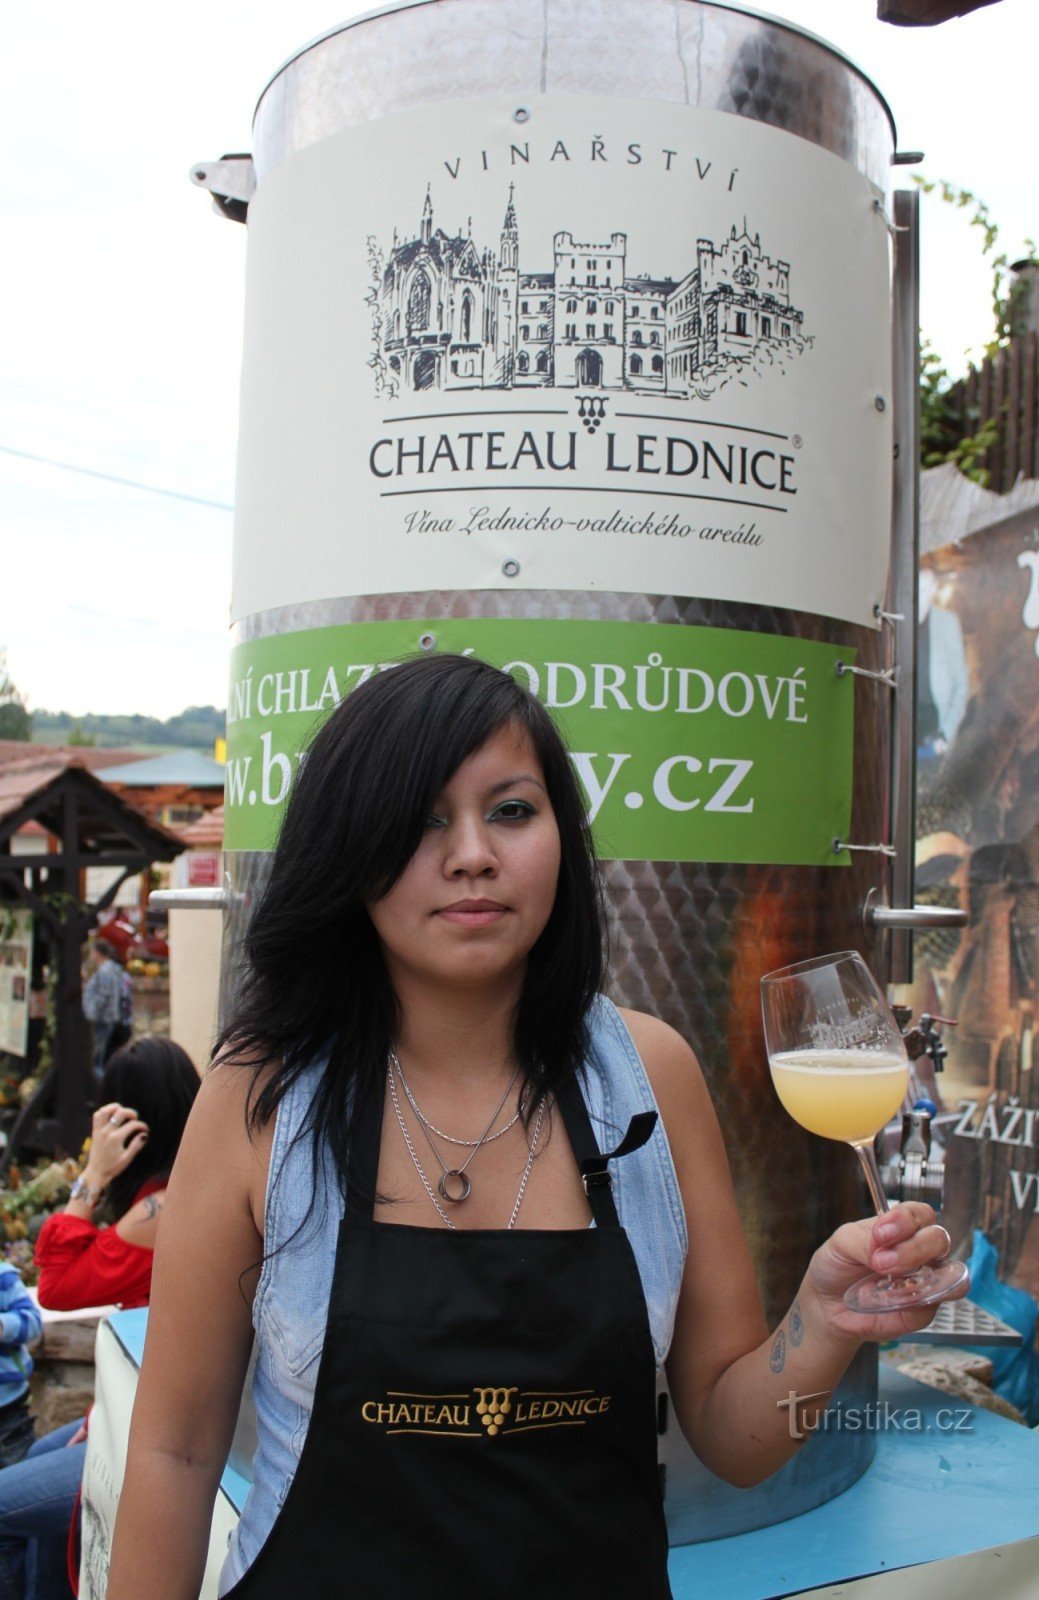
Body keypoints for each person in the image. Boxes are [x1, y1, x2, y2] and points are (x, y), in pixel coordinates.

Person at [107, 654, 963, 1600]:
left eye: (511, 810)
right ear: (348, 849)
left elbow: (735, 1435)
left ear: (561, 834)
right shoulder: (262, 1093)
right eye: (422, 818)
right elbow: (176, 1454)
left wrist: (825, 1318)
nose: (472, 852)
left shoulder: (649, 1077)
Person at [0, 1038, 199, 1600]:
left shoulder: (158, 1210)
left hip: (153, 1430)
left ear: (138, 1126)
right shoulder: (186, 1189)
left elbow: (59, 1285)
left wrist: (91, 1177)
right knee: (40, 1456)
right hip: (153, 1407)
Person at [0, 1260, 42, 1469]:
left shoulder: (3, 1278)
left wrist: (3, 1326)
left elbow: (32, 1322)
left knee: (19, 1470)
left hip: (9, 1404)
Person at [81, 944, 125, 1076]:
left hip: (102, 1019)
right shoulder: (110, 970)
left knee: (96, 1058)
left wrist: (91, 1014)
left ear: (98, 953)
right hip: (107, 1017)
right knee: (98, 1056)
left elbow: (103, 996)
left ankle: (99, 1086)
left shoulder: (105, 971)